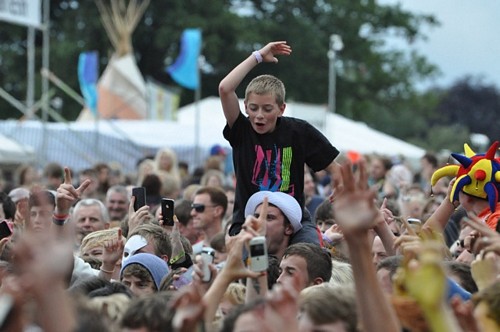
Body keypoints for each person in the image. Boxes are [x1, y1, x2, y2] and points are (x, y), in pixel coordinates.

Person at [218, 40, 341, 245]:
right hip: (248, 222)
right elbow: (225, 88)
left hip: (294, 222)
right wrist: (258, 56)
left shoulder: (298, 132)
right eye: (254, 108)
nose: (259, 116)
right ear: (246, 107)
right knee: (242, 263)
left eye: (267, 109)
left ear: (281, 109)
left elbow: (336, 169)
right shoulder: (242, 130)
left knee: (310, 257)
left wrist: (341, 184)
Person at [244, 190, 303, 260]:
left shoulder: (300, 268)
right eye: (256, 217)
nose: (260, 223)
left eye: (269, 218)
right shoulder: (242, 267)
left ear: (288, 228)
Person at [190, 186, 227, 255]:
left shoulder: (231, 248)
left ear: (217, 211)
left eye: (199, 208)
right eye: (193, 208)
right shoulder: (194, 251)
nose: (192, 213)